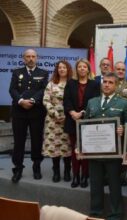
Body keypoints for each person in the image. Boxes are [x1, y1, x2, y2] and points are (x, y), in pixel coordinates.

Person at [82, 72, 127, 220]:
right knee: (96, 185)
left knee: (114, 185)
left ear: (116, 85)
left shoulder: (124, 103)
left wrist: (123, 128)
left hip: (114, 153)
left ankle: (115, 215)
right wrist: (82, 146)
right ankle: (95, 214)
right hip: (94, 152)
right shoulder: (92, 102)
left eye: (110, 82)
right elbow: (85, 126)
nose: (107, 85)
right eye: (105, 82)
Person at [9, 48, 49, 183]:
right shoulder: (16, 72)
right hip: (19, 112)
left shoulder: (43, 73)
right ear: (23, 58)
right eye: (28, 56)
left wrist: (32, 101)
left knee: (36, 140)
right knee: (19, 141)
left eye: (33, 56)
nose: (30, 59)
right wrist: (21, 101)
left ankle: (36, 166)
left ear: (37, 58)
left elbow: (44, 90)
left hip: (36, 112)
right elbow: (12, 89)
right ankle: (18, 168)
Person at [64, 58, 100, 188]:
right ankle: (76, 176)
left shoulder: (95, 84)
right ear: (76, 69)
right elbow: (66, 100)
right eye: (80, 67)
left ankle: (85, 175)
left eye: (84, 67)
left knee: (86, 150)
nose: (82, 69)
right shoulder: (71, 83)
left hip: (88, 121)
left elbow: (96, 101)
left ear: (88, 69)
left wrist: (83, 113)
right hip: (72, 120)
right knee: (75, 149)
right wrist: (72, 112)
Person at [42, 60, 73, 183]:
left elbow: (74, 101)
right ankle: (56, 171)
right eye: (59, 67)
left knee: (67, 147)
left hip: (68, 119)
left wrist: (67, 115)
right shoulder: (51, 84)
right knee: (54, 147)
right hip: (53, 120)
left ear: (68, 69)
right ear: (57, 70)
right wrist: (54, 113)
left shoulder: (72, 84)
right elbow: (46, 100)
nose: (61, 69)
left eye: (64, 67)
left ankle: (66, 171)